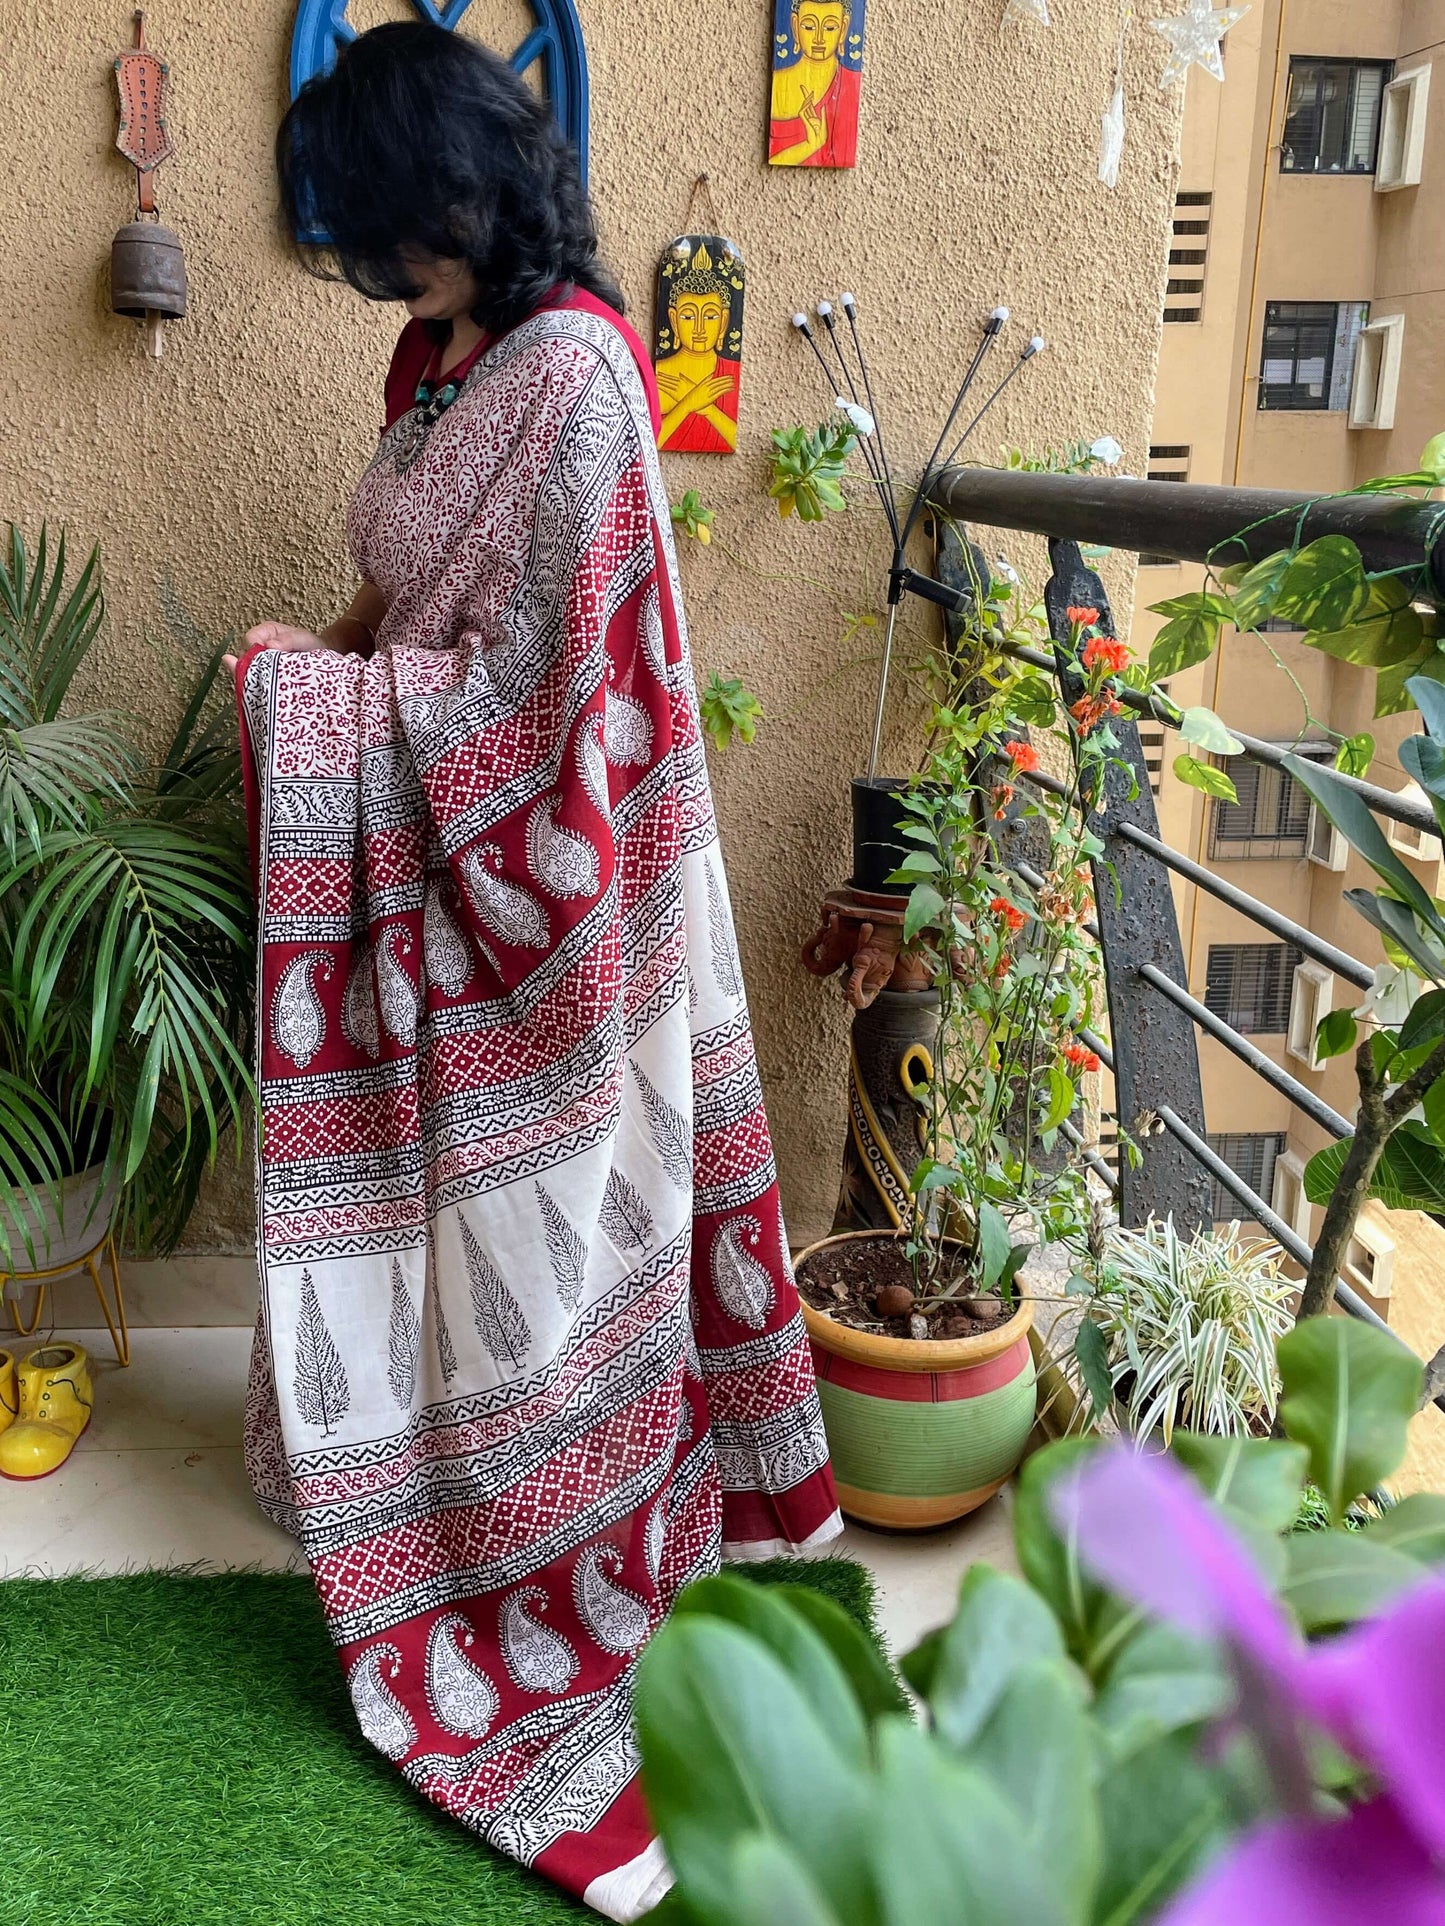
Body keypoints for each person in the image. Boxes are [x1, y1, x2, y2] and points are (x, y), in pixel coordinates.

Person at [230, 23, 839, 1920]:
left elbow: (541, 707)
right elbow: (413, 603)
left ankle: (534, 1524)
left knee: (545, 1217)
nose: (361, 270)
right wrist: (308, 662)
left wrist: (311, 706)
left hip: (552, 894)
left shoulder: (577, 377)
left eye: (379, 229)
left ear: (464, 194)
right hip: (423, 835)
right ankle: (390, 1454)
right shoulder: (438, 361)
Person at [653, 242, 740, 453]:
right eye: (688, 316)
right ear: (673, 320)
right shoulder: (661, 375)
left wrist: (704, 407)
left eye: (710, 316)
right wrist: (688, 404)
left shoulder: (729, 373)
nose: (699, 328)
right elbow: (653, 442)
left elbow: (730, 440)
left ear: (724, 321)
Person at [768, 0, 862, 167]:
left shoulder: (848, 87)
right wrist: (809, 146)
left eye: (830, 27)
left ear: (843, 29)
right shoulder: (779, 87)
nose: (819, 38)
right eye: (809, 27)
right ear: (795, 27)